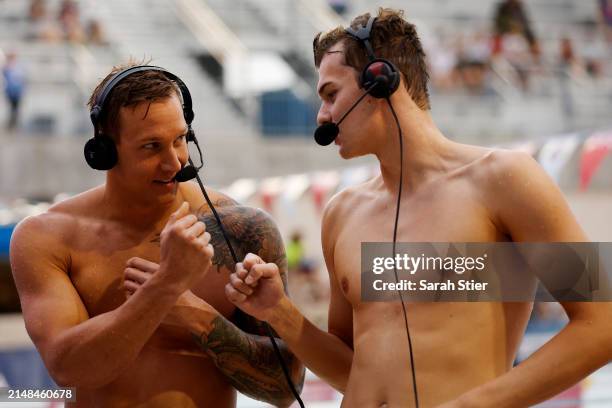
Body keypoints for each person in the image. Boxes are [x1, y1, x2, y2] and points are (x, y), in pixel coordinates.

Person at [225, 8, 612, 407]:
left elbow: (602, 323)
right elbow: (351, 369)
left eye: (330, 94)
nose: (322, 116)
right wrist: (279, 312)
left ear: (380, 81)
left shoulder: (505, 179)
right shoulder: (342, 213)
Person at [9, 63, 304, 407]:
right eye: (151, 146)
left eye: (180, 140)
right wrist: (166, 285)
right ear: (104, 148)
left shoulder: (240, 230)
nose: (175, 163)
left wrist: (197, 315)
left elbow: (288, 388)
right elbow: (67, 368)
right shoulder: (49, 238)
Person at [2, 52, 26, 131]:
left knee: (16, 108)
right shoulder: (7, 67)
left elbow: (22, 79)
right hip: (10, 91)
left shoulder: (19, 67)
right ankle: (11, 123)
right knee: (11, 107)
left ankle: (15, 123)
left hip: (17, 91)